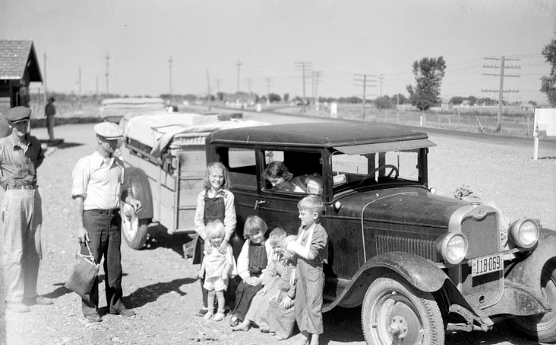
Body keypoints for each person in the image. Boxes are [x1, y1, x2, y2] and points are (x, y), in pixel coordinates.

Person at [71, 122, 142, 323]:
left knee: (114, 264)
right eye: (110, 141)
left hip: (113, 218)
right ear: (99, 140)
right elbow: (78, 197)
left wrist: (131, 200)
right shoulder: (85, 164)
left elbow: (123, 191)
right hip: (93, 218)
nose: (114, 144)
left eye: (116, 140)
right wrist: (80, 226)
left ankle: (115, 304)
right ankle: (90, 307)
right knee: (91, 263)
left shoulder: (119, 165)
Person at [0, 106, 52, 313]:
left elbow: (36, 161)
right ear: (12, 125)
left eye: (25, 122)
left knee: (33, 249)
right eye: (18, 123)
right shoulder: (3, 145)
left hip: (33, 195)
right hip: (14, 197)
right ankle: (13, 299)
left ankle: (30, 294)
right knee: (14, 250)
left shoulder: (35, 143)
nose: (22, 126)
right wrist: (4, 181)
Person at [193, 162, 236, 316]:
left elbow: (231, 220)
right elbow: (198, 221)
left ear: (224, 178)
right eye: (214, 176)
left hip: (222, 239)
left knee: (225, 270)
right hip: (207, 239)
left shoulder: (227, 196)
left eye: (220, 176)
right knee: (206, 269)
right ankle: (207, 304)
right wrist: (206, 240)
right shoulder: (202, 196)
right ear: (208, 177)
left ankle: (223, 304)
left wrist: (225, 240)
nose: (217, 179)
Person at [286, 195, 328, 345]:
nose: (299, 216)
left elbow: (310, 254)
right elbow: (298, 253)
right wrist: (293, 269)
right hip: (301, 270)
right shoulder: (302, 229)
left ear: (315, 215)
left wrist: (293, 246)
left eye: (303, 214)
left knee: (313, 305)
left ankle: (315, 337)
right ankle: (305, 335)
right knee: (301, 303)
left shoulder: (319, 232)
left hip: (313, 272)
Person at [231, 227, 288, 332]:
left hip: (279, 284)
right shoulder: (276, 256)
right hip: (268, 281)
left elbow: (286, 275)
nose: (276, 250)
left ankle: (264, 324)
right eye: (274, 247)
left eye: (278, 247)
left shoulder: (287, 258)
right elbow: (270, 271)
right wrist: (264, 284)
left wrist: (262, 281)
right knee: (253, 294)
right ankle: (245, 322)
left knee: (266, 299)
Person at [229, 215, 272, 327]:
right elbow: (242, 260)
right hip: (250, 274)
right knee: (241, 288)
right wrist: (246, 276)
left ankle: (240, 316)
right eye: (251, 234)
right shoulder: (248, 243)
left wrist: (260, 279)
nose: (255, 237)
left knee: (252, 292)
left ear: (263, 230)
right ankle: (238, 313)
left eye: (257, 233)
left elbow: (271, 265)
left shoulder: (268, 244)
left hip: (262, 276)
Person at [198, 219, 236, 322]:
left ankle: (221, 312)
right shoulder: (209, 246)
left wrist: (225, 273)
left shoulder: (226, 247)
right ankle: (210, 310)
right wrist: (202, 270)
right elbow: (206, 259)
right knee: (210, 292)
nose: (216, 240)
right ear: (209, 238)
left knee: (219, 293)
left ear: (223, 236)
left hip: (220, 275)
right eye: (213, 238)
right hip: (210, 275)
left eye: (219, 237)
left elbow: (229, 261)